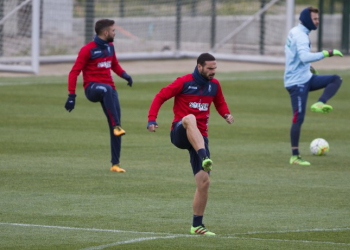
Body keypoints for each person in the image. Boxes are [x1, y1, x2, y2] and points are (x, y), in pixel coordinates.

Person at [147, 53, 234, 235]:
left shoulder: (214, 86)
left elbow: (220, 102)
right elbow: (160, 96)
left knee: (204, 182)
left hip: (200, 139)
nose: (213, 72)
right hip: (180, 132)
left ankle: (197, 225)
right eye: (210, 68)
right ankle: (204, 157)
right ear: (199, 66)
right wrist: (151, 119)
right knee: (190, 118)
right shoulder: (184, 82)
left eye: (215, 68)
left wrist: (226, 114)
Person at [64, 19, 133, 173]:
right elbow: (74, 72)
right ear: (106, 32)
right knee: (108, 90)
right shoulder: (87, 50)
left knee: (115, 118)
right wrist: (71, 95)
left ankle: (115, 164)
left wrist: (125, 75)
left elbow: (114, 65)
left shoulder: (110, 47)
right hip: (92, 89)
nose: (115, 33)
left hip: (109, 90)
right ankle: (116, 126)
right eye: (113, 30)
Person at [284, 7, 343, 166]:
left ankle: (320, 102)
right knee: (298, 117)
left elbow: (292, 55)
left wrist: (307, 68)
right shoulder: (301, 36)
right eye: (315, 19)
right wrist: (327, 53)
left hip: (306, 77)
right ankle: (295, 156)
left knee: (336, 79)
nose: (318, 21)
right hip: (297, 83)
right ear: (308, 20)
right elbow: (303, 56)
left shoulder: (294, 31)